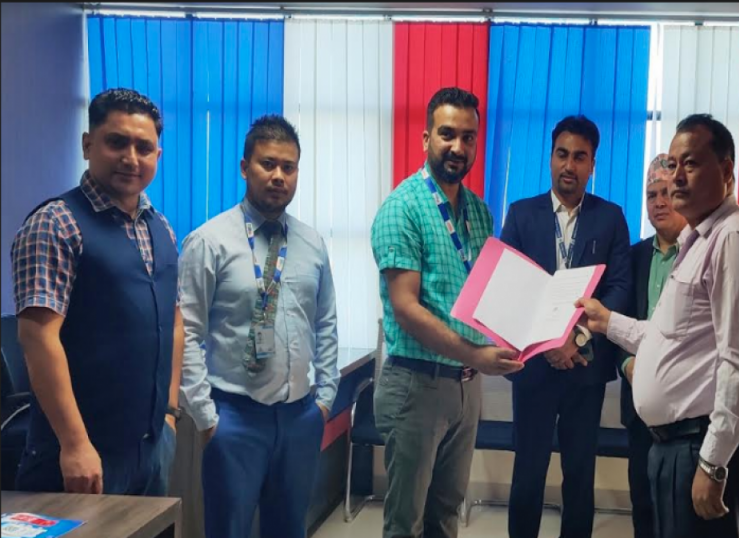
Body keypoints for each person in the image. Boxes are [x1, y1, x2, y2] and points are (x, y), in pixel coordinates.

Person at [578, 114, 739, 538]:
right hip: (671, 444)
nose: (677, 178)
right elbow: (666, 336)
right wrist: (607, 321)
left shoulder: (734, 238)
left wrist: (713, 462)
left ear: (726, 170)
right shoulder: (697, 240)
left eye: (691, 163)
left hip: (699, 445)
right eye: (673, 164)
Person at [11, 88, 182, 495]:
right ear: (88, 145)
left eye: (144, 147)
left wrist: (170, 413)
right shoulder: (56, 224)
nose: (131, 158)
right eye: (116, 142)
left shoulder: (161, 228)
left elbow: (174, 323)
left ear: (158, 156)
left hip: (149, 448)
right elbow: (38, 337)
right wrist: (74, 444)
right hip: (81, 455)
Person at [370, 87, 523, 538]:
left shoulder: (479, 212)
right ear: (426, 139)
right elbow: (406, 308)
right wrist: (476, 355)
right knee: (407, 522)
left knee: (446, 515)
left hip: (465, 387)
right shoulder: (402, 208)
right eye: (447, 134)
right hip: (416, 384)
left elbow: (484, 295)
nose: (458, 146)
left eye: (468, 137)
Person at [179, 114, 339, 538]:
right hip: (234, 416)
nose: (278, 176)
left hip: (299, 415)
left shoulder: (312, 243)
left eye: (288, 167)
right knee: (228, 529)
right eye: (268, 164)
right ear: (244, 167)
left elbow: (325, 322)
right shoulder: (209, 241)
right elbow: (187, 333)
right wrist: (207, 417)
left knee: (288, 529)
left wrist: (325, 398)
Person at [501, 115, 632, 538]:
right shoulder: (521, 215)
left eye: (579, 157)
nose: (569, 165)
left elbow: (619, 286)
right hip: (534, 368)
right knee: (528, 473)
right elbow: (510, 289)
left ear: (593, 164)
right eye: (562, 154)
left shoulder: (610, 218)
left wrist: (575, 339)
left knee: (579, 473)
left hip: (584, 368)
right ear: (550, 158)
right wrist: (548, 345)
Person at [618, 154, 687, 538]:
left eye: (666, 193)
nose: (659, 202)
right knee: (642, 506)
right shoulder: (633, 257)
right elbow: (618, 321)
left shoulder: (701, 252)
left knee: (681, 513)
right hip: (640, 406)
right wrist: (627, 365)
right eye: (651, 195)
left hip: (687, 412)